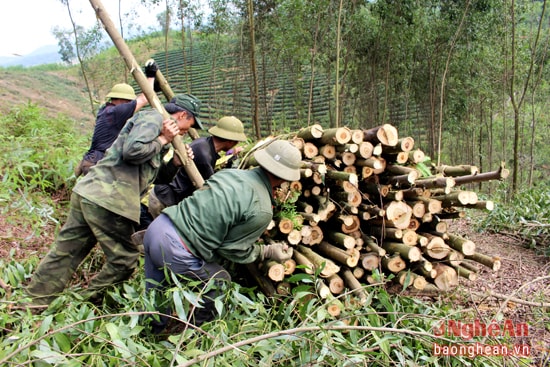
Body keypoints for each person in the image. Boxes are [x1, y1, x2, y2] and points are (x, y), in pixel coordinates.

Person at [25, 93, 204, 307]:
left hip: (91, 194)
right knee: (125, 260)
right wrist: (163, 139)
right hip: (108, 200)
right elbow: (132, 152)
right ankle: (79, 305)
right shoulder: (154, 119)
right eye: (187, 126)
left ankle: (33, 302)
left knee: (66, 252)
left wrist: (175, 162)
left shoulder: (159, 130)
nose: (184, 133)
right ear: (182, 114)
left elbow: (154, 177)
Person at [142, 139, 302, 333]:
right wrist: (267, 251)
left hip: (157, 228)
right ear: (285, 178)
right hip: (175, 248)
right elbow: (232, 250)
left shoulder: (230, 174)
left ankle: (150, 334)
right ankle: (193, 334)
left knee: (156, 290)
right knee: (219, 282)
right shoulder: (262, 209)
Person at [146, 115, 248, 221]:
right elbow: (210, 188)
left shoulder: (205, 144)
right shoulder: (205, 156)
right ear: (231, 142)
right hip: (164, 200)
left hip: (164, 195)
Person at [75, 60, 158, 177]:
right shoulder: (117, 112)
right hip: (99, 162)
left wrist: (153, 85)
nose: (129, 104)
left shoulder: (106, 110)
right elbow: (144, 99)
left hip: (92, 160)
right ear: (122, 100)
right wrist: (150, 76)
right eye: (128, 101)